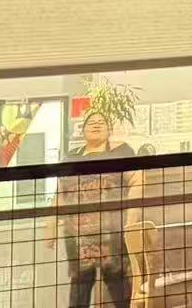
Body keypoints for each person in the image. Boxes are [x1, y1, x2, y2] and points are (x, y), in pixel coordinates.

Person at [46, 111, 138, 308]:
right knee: (79, 288)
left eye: (102, 122)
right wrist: (50, 226)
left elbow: (138, 181)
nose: (96, 125)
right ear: (83, 130)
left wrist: (132, 218)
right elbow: (60, 194)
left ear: (109, 130)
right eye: (91, 122)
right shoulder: (71, 158)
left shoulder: (122, 152)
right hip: (78, 235)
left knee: (118, 283)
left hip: (112, 232)